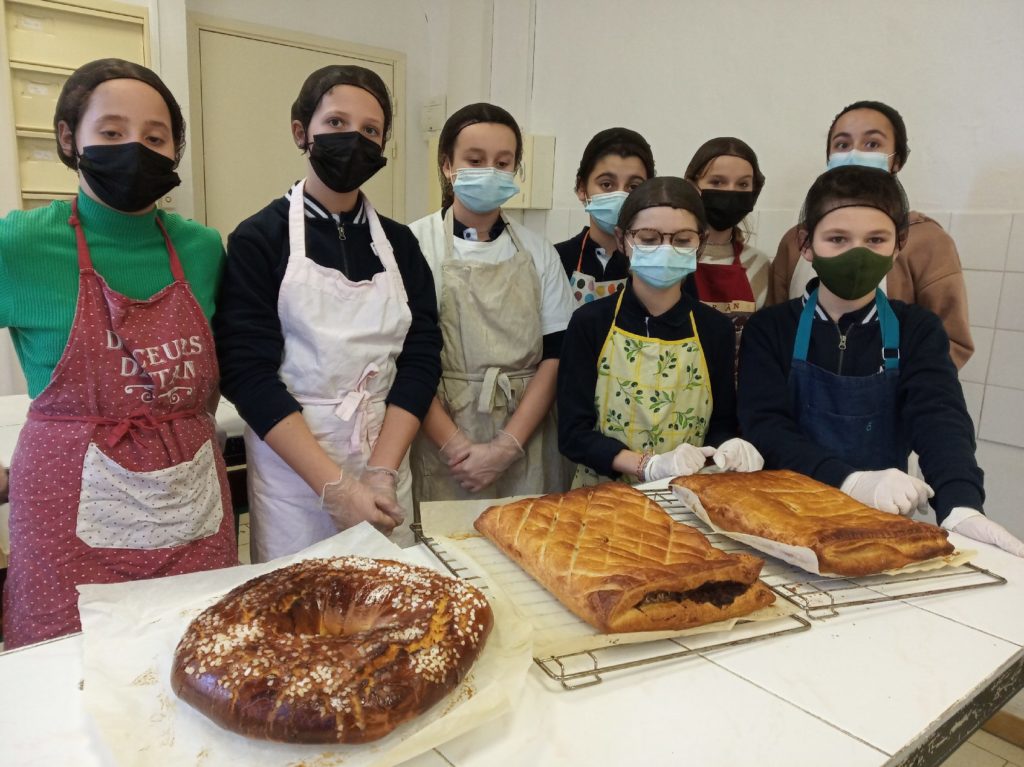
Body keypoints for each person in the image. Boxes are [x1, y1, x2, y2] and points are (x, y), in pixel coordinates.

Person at [0, 58, 238, 648]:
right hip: (65, 512)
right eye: (111, 133)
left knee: (200, 654)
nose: (136, 148)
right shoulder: (21, 245)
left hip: (192, 505)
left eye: (155, 137)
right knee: (66, 671)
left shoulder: (203, 249)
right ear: (68, 139)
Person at [214, 65, 441, 559]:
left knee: (387, 606)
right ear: (302, 132)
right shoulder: (260, 238)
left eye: (370, 130)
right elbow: (246, 372)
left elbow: (421, 358)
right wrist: (334, 486)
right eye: (336, 123)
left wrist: (381, 472)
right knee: (299, 615)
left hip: (384, 452)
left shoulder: (400, 245)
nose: (353, 139)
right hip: (294, 471)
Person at [739, 166, 1023, 557]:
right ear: (807, 244)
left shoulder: (917, 329)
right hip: (779, 516)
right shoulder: (771, 328)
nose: (857, 253)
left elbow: (940, 416)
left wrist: (960, 503)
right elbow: (766, 427)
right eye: (837, 239)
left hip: (877, 523)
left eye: (876, 239)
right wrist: (850, 481)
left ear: (898, 244)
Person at [408, 103, 574, 502]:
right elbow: (405, 359)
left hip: (525, 434)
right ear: (448, 165)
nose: (490, 172)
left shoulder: (538, 252)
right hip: (441, 435)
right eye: (475, 160)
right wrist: (456, 448)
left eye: (503, 162)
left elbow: (555, 355)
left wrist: (505, 448)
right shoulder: (413, 244)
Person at [558, 177, 764, 487]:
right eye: (649, 238)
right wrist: (646, 465)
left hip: (686, 493)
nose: (665, 249)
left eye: (682, 240)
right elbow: (573, 434)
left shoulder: (714, 329)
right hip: (603, 495)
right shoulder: (591, 322)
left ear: (701, 243)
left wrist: (729, 447)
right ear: (622, 239)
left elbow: (720, 423)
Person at [767, 100, 973, 368]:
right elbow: (774, 326)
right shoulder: (795, 241)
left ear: (896, 160)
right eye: (842, 144)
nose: (855, 153)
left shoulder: (928, 242)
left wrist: (903, 394)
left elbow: (952, 342)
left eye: (872, 144)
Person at [555, 128, 655, 309]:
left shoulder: (658, 263)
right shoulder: (555, 259)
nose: (620, 196)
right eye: (607, 185)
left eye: (633, 187)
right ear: (581, 189)